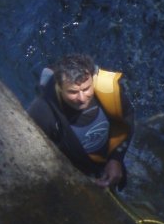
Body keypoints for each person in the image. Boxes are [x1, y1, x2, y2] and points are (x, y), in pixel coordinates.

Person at [27, 54, 133, 190]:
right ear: (59, 87)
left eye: (86, 89)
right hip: (77, 172)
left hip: (110, 159)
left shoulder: (108, 91)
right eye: (73, 92)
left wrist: (116, 158)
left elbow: (127, 117)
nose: (82, 98)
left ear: (93, 80)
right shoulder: (43, 112)